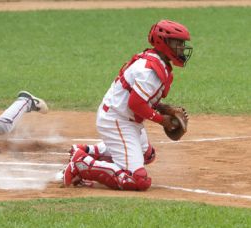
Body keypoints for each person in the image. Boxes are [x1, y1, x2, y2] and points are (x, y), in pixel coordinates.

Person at [63, 19, 193, 191]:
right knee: (137, 180)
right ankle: (81, 164)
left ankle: (88, 150)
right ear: (164, 43)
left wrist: (165, 108)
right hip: (117, 120)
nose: (182, 48)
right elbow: (136, 104)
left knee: (148, 155)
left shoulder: (155, 61)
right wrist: (163, 120)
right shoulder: (150, 72)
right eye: (178, 43)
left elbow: (141, 98)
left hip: (123, 118)